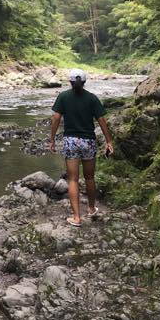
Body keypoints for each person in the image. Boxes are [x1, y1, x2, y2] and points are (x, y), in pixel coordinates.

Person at [49, 68, 114, 227]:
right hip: (88, 141)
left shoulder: (63, 96)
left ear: (70, 82)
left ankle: (77, 218)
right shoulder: (91, 98)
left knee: (72, 179)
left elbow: (56, 118)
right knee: (90, 177)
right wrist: (109, 141)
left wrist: (51, 139)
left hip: (71, 141)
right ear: (84, 82)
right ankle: (91, 209)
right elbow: (102, 120)